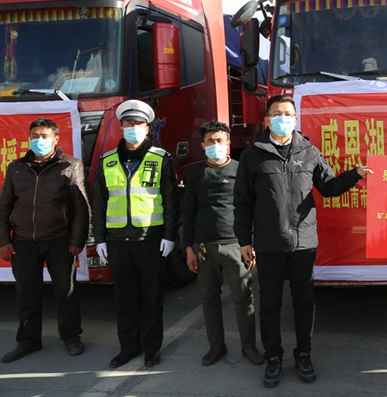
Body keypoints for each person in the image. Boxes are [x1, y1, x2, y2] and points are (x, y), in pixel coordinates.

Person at [233, 95, 373, 388]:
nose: (283, 118)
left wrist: (355, 174)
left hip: (304, 244)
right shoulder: (252, 155)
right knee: (270, 305)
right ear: (267, 120)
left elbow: (329, 187)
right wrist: (245, 241)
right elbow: (243, 202)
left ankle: (304, 355)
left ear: (296, 120)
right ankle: (273, 358)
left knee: (304, 303)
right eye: (277, 114)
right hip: (269, 244)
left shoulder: (309, 151)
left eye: (288, 114)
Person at [92, 99, 179, 369]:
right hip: (118, 242)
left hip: (150, 240)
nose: (133, 128)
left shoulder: (161, 158)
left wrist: (169, 235)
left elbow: (171, 200)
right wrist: (100, 238)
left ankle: (151, 349)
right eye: (128, 123)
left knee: (152, 298)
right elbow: (99, 202)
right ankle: (128, 347)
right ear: (121, 127)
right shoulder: (107, 161)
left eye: (138, 124)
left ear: (147, 128)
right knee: (125, 298)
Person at [0, 118, 90, 363]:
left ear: (55, 139)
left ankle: (71, 337)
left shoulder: (71, 166)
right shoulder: (16, 168)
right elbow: (4, 206)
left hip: (59, 239)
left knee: (66, 292)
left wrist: (77, 240)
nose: (38, 140)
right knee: (26, 294)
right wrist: (3, 240)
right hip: (23, 241)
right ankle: (28, 341)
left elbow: (81, 208)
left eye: (44, 136)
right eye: (34, 136)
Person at [183, 120, 264, 367]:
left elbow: (252, 209)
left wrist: (251, 243)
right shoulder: (195, 174)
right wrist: (189, 248)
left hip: (236, 245)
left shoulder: (241, 170)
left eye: (219, 140)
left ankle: (249, 347)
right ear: (202, 145)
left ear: (228, 143)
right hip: (204, 247)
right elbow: (189, 212)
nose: (215, 145)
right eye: (210, 141)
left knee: (243, 298)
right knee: (209, 298)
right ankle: (216, 346)